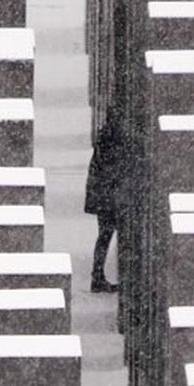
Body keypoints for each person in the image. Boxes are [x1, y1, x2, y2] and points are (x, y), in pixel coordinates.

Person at [83, 108, 130, 294]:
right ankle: (100, 276)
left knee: (105, 236)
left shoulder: (106, 136)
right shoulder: (113, 138)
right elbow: (113, 168)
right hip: (109, 196)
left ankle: (98, 276)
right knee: (110, 236)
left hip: (103, 195)